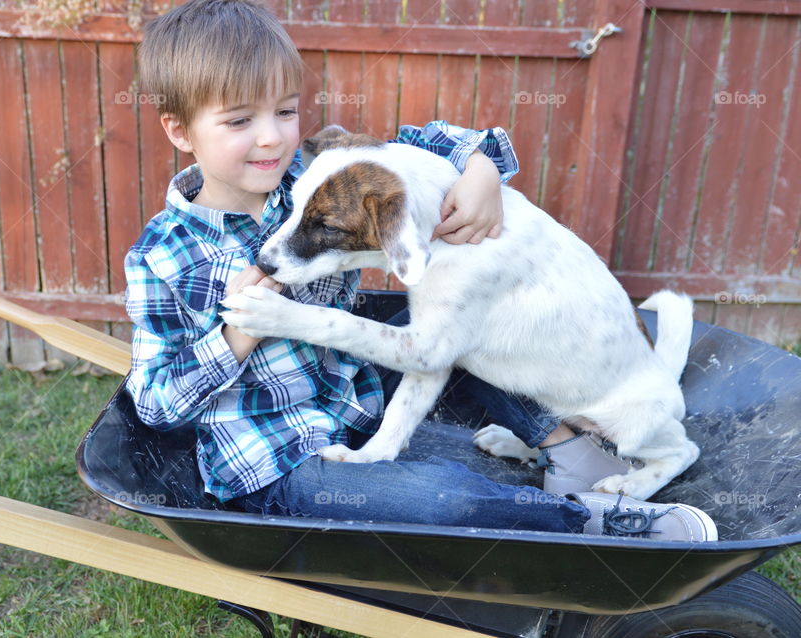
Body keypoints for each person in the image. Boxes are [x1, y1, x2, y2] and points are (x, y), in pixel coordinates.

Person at [124, 0, 717, 541]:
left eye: (285, 111)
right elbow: (152, 404)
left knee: (464, 321)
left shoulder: (310, 179)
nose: (272, 138)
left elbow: (423, 142)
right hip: (278, 461)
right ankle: (592, 523)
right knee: (444, 500)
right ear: (179, 130)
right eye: (238, 122)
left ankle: (571, 449)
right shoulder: (162, 256)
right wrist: (239, 336)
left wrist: (483, 169)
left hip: (356, 399)